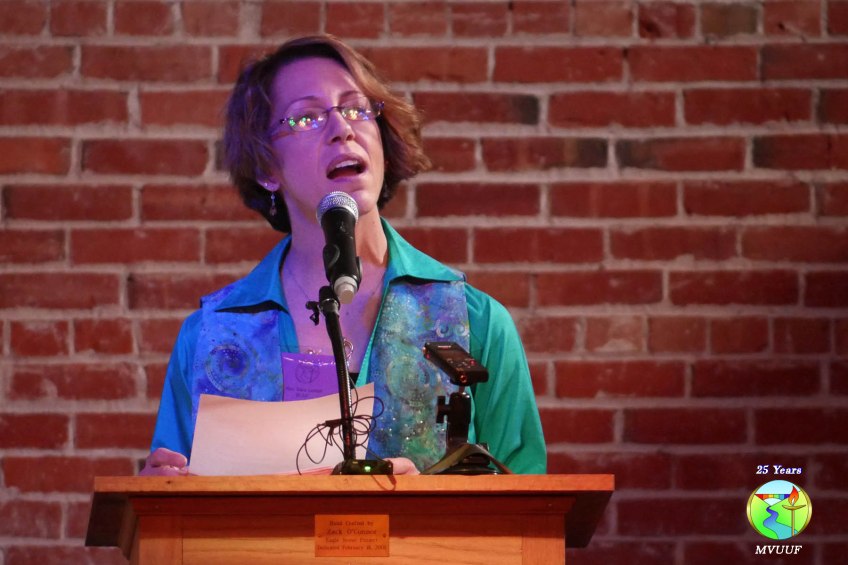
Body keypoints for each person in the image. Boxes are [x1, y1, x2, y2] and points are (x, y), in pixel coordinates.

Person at [141, 34, 546, 476]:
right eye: (306, 117)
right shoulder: (210, 336)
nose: (343, 128)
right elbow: (174, 505)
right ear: (266, 167)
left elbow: (527, 504)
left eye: (356, 109)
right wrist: (161, 493)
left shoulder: (476, 323)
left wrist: (426, 500)